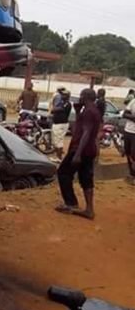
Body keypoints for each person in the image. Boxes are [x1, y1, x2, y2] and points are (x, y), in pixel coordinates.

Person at [55, 88, 101, 220]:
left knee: (63, 172)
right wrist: (77, 111)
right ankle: (89, 209)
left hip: (80, 149)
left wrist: (77, 154)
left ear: (85, 97)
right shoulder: (92, 111)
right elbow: (81, 128)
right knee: (86, 178)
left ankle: (71, 203)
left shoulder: (88, 112)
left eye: (81, 96)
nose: (79, 98)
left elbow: (86, 133)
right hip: (89, 149)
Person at [51, 90, 72, 162]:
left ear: (68, 96)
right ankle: (57, 156)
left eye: (64, 95)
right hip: (57, 123)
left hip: (61, 124)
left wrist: (54, 109)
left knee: (59, 141)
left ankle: (59, 158)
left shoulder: (67, 104)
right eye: (62, 94)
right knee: (55, 141)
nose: (62, 96)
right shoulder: (61, 103)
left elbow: (55, 110)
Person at [121, 94, 135, 184]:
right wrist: (133, 117)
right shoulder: (133, 101)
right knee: (128, 153)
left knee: (134, 154)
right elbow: (124, 113)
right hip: (128, 130)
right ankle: (132, 174)